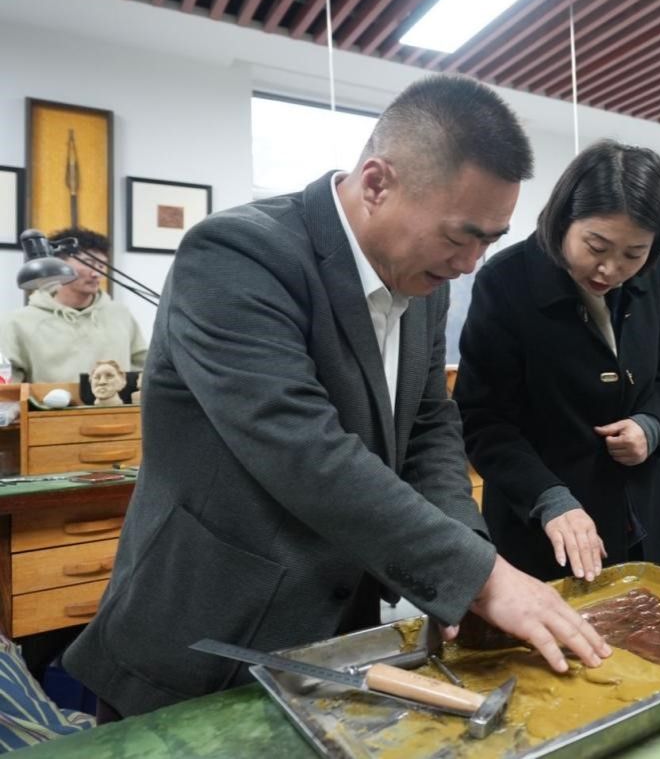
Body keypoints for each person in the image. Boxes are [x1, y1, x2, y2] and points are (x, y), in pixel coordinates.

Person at [64, 75, 610, 720]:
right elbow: (301, 448)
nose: (470, 263)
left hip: (335, 640)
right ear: (377, 184)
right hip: (203, 636)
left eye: (488, 240)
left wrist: (468, 564)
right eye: (460, 236)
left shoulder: (423, 283)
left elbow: (429, 426)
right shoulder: (237, 254)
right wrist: (482, 578)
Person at [455, 140, 660, 583]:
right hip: (544, 530)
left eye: (633, 254)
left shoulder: (652, 276)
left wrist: (652, 426)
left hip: (642, 516)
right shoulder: (506, 282)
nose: (610, 269)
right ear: (564, 219)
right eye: (596, 246)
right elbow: (482, 418)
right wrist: (548, 497)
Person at [0, 227, 148, 383]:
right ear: (56, 264)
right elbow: (7, 384)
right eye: (88, 263)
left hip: (114, 399)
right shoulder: (17, 322)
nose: (96, 273)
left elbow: (142, 366)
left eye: (101, 265)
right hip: (50, 399)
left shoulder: (120, 314)